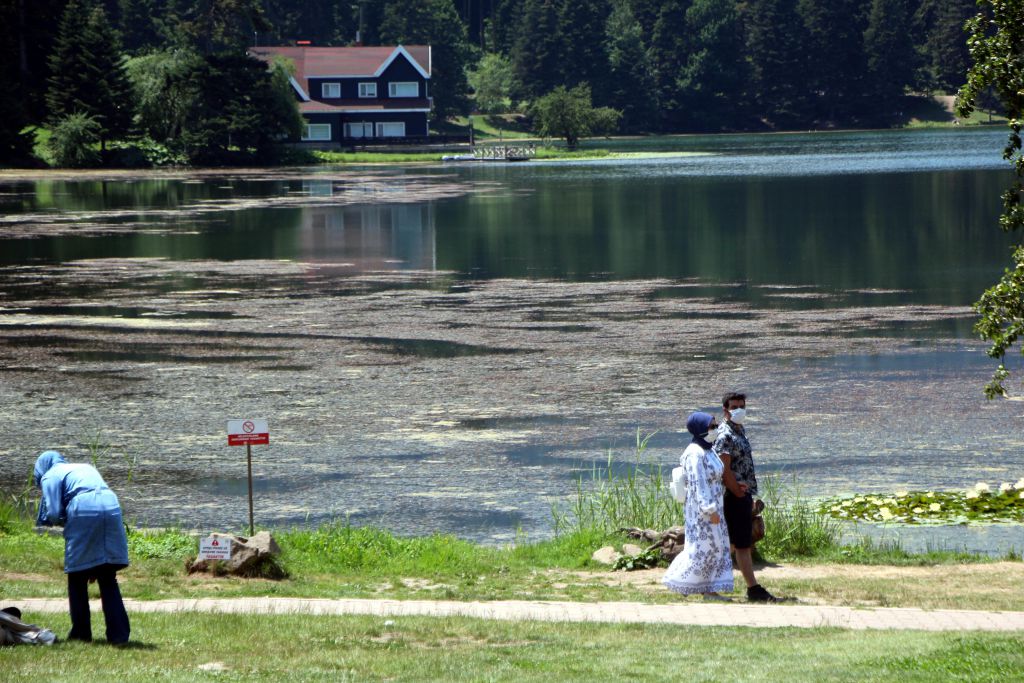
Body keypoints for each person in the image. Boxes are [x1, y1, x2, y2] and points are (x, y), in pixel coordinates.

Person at [34, 450, 131, 644]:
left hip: (83, 507)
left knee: (77, 576)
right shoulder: (84, 467)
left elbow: (53, 513)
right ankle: (119, 636)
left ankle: (81, 633)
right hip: (111, 506)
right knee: (107, 575)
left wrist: (63, 521)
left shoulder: (50, 475)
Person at [712, 392, 779, 603]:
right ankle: (753, 588)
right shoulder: (725, 435)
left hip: (742, 494)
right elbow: (724, 469)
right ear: (725, 410)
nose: (739, 410)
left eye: (742, 406)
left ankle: (713, 584)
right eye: (734, 407)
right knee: (741, 543)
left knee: (736, 543)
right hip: (733, 496)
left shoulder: (739, 430)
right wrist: (738, 492)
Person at [662, 412, 733, 599]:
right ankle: (690, 583)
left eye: (716, 426)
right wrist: (709, 509)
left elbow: (715, 475)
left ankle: (701, 586)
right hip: (702, 510)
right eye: (711, 426)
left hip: (716, 504)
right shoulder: (694, 453)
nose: (715, 429)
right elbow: (698, 483)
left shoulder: (709, 449)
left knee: (714, 547)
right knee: (704, 548)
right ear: (700, 428)